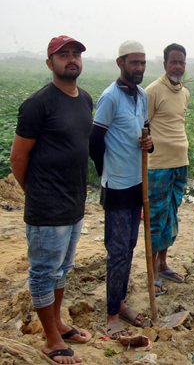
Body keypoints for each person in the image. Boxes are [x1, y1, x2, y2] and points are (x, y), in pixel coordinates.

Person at [10, 35, 92, 364]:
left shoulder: (84, 99)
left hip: (74, 203)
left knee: (62, 269)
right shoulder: (38, 103)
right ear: (50, 63)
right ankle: (50, 339)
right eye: (63, 55)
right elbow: (18, 158)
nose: (71, 59)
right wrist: (38, 192)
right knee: (44, 271)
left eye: (75, 55)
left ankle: (57, 321)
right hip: (47, 205)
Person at [89, 40, 153, 339]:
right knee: (116, 251)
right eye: (133, 63)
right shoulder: (109, 97)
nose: (139, 68)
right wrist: (106, 172)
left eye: (142, 63)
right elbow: (94, 141)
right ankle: (112, 314)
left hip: (137, 183)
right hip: (115, 185)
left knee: (128, 247)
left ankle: (122, 302)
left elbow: (145, 132)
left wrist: (148, 143)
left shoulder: (141, 96)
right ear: (120, 63)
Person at [144, 43, 189, 288]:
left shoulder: (185, 92)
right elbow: (142, 126)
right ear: (164, 64)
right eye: (173, 62)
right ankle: (152, 273)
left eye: (181, 62)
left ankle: (163, 263)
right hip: (158, 165)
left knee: (171, 216)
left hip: (180, 164)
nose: (177, 66)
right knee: (156, 218)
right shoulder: (152, 91)